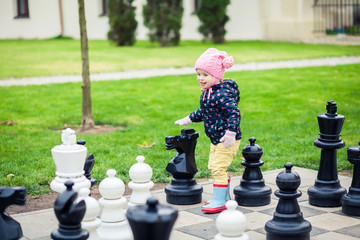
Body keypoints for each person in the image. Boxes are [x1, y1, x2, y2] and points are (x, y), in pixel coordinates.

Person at [175, 48, 241, 213]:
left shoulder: (222, 94)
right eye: (198, 74)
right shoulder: (208, 93)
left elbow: (234, 113)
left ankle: (219, 200)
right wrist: (188, 119)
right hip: (216, 138)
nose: (200, 78)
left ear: (216, 76)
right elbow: (204, 112)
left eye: (205, 74)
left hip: (226, 138)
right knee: (213, 166)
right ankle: (225, 198)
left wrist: (230, 133)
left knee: (218, 168)